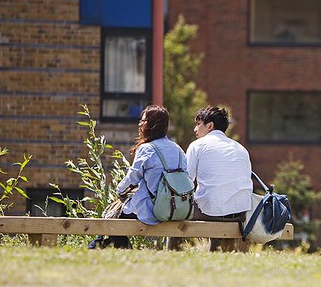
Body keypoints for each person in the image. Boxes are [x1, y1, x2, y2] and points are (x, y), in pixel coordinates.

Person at [89, 104, 185, 249]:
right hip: (177, 207)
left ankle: (115, 249)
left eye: (143, 121)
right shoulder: (177, 149)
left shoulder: (147, 149)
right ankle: (102, 246)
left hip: (153, 209)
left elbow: (132, 178)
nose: (139, 124)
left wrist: (120, 192)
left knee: (112, 216)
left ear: (153, 125)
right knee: (115, 216)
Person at [183, 106, 253, 251]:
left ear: (209, 126)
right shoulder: (241, 148)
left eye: (198, 124)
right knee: (215, 200)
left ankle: (173, 254)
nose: (195, 129)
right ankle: (216, 251)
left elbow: (185, 181)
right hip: (240, 214)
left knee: (178, 213)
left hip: (210, 212)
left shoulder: (197, 146)